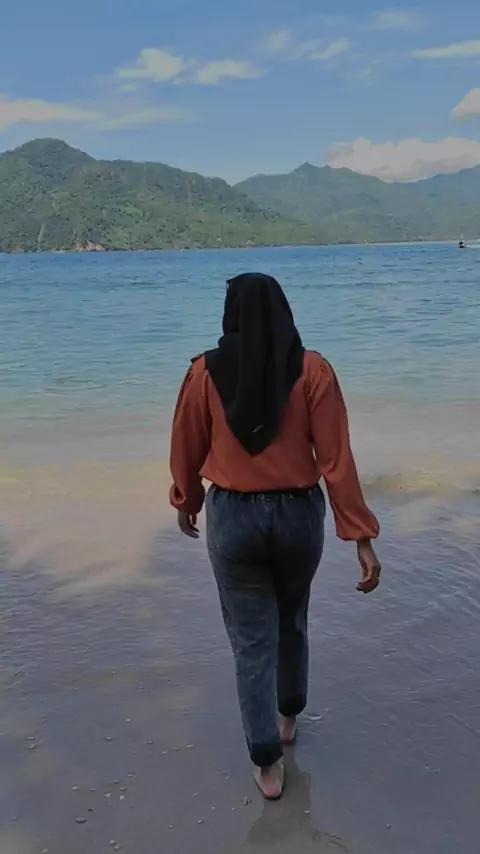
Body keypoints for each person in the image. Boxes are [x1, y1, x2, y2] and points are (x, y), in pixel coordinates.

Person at [169, 272, 381, 800]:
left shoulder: (203, 373)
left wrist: (187, 500)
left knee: (250, 640)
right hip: (297, 517)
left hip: (234, 519)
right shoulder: (313, 370)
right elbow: (336, 460)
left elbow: (186, 447)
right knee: (292, 618)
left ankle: (266, 763)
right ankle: (288, 717)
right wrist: (359, 534)